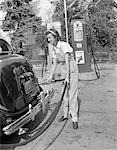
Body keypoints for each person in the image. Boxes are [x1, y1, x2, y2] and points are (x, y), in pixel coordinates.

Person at [45, 28, 82, 129]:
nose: (49, 40)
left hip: (71, 69)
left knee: (72, 95)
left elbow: (67, 60)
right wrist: (50, 76)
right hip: (64, 69)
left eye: (50, 38)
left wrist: (67, 78)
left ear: (55, 37)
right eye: (47, 38)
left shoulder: (64, 45)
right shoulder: (54, 48)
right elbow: (54, 63)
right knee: (64, 94)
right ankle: (65, 114)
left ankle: (74, 118)